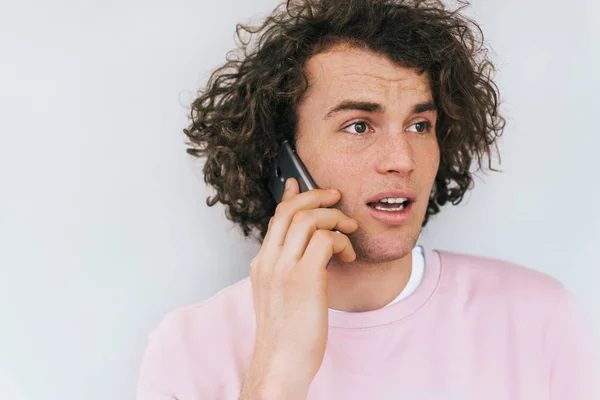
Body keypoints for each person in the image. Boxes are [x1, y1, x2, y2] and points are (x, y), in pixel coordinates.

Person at [136, 0, 600, 398]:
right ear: (281, 157)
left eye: (420, 126)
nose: (402, 160)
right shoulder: (187, 350)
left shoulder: (540, 317)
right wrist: (276, 377)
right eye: (359, 126)